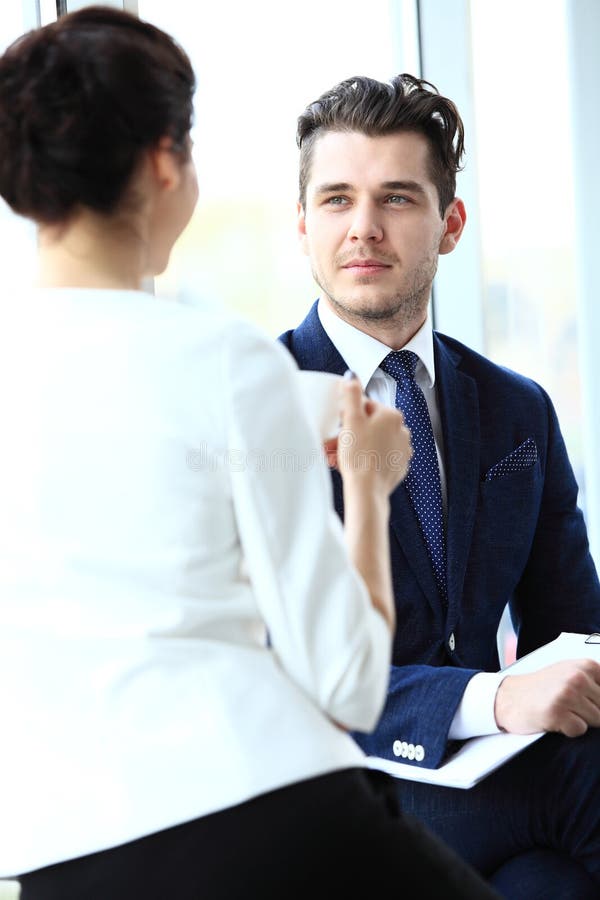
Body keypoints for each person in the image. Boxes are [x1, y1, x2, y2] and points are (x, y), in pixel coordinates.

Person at [0, 11, 503, 900]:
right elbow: (347, 686)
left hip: (56, 855)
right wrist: (374, 485)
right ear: (165, 162)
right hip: (265, 815)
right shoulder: (225, 361)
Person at [279, 73, 600, 898]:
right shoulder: (260, 404)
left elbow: (574, 626)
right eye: (337, 200)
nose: (363, 229)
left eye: (396, 199)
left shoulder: (515, 408)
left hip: (502, 801)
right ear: (303, 225)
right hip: (341, 789)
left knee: (550, 886)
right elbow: (282, 671)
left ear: (450, 225)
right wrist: (494, 701)